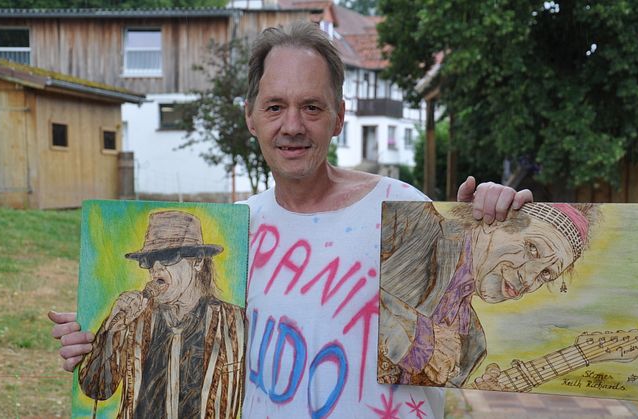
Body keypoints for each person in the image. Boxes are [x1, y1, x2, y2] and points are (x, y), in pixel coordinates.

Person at [50, 21, 533, 418]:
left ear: (339, 116)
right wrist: (94, 334)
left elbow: (470, 347)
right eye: (275, 106)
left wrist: (492, 224)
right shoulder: (239, 230)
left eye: (312, 107)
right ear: (251, 117)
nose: (293, 125)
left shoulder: (402, 210)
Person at [378, 202, 592, 389]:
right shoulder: (411, 219)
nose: (528, 280)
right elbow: (348, 287)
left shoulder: (473, 342)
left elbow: (420, 401)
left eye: (546, 274)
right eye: (532, 249)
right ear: (496, 223)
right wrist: (421, 341)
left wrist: (478, 395)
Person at [73, 210, 244, 418]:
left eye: (167, 257)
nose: (155, 268)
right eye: (149, 260)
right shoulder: (134, 320)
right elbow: (95, 390)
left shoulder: (236, 322)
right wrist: (111, 332)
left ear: (198, 261)